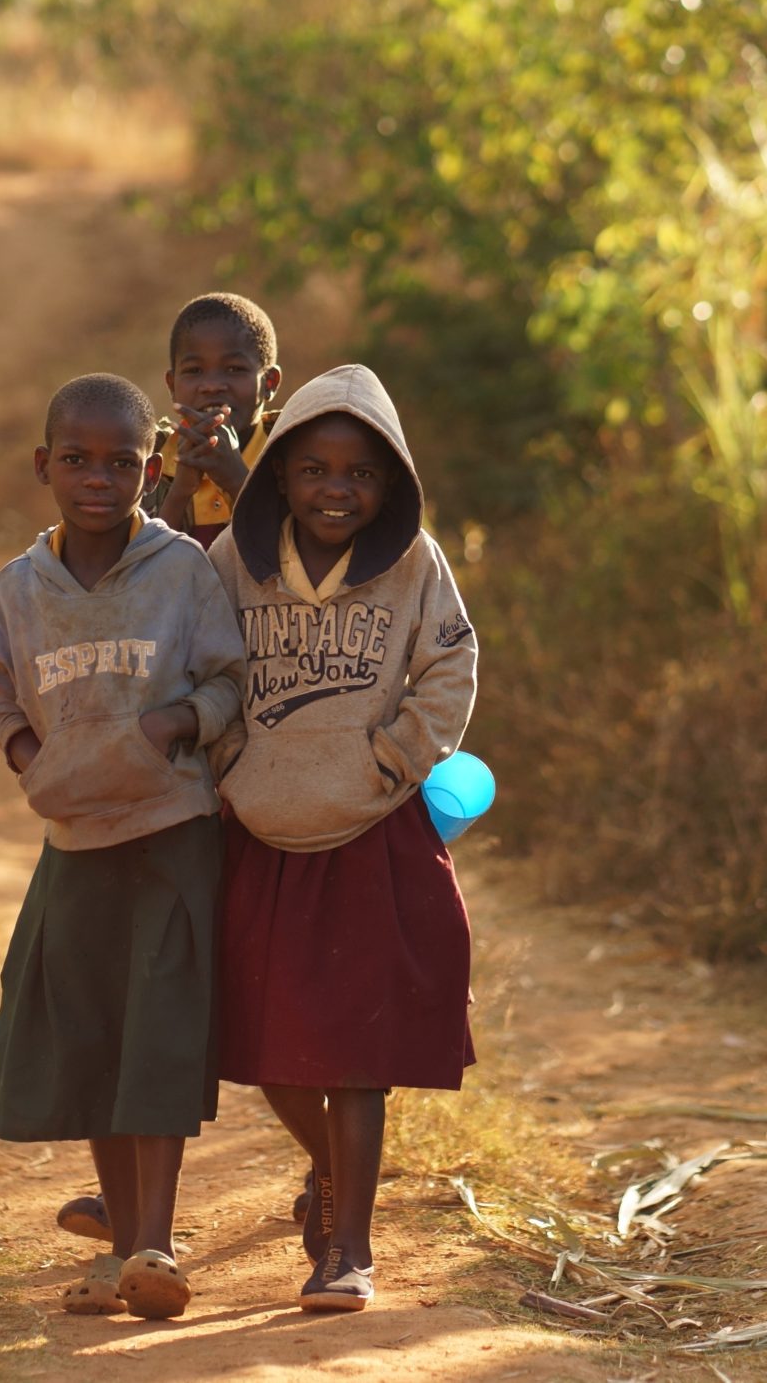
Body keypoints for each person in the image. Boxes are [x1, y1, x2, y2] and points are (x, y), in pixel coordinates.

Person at [0, 372, 247, 1321]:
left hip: (172, 835)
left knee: (159, 1032)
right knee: (89, 1032)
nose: (99, 477)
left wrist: (177, 722)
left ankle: (156, 1244)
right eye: (77, 459)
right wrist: (25, 753)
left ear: (150, 467)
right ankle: (122, 1248)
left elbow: (229, 681)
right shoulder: (17, 589)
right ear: (45, 465)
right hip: (75, 837)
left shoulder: (181, 572)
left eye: (122, 461)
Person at [206, 364, 479, 1314]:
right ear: (278, 475)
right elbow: (198, 667)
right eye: (314, 468)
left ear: (391, 483)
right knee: (275, 1046)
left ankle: (348, 1251)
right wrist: (231, 762)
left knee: (359, 1051)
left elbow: (451, 664)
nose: (336, 488)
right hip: (264, 833)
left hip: (372, 832)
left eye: (360, 473)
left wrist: (394, 758)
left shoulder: (415, 564)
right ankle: (330, 1171)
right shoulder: (232, 563)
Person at [147, 292, 286, 549]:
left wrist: (236, 479)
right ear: (172, 385)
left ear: (269, 383)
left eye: (234, 369)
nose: (211, 386)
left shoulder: (290, 457)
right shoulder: (147, 459)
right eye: (194, 371)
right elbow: (138, 575)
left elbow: (292, 558)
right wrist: (180, 490)